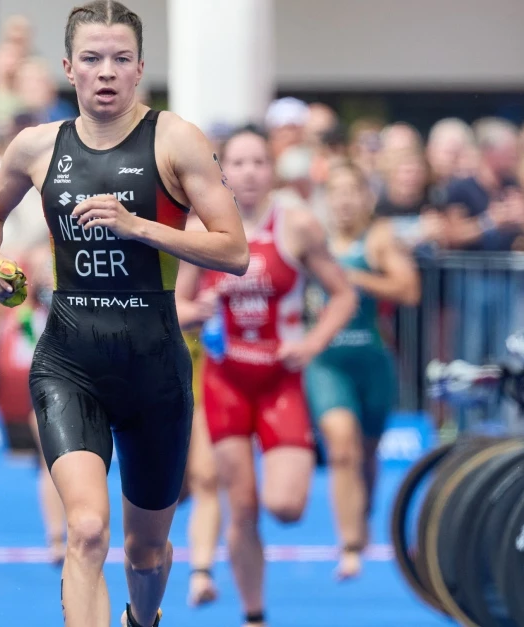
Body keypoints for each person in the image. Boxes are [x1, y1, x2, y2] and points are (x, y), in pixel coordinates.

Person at [0, 3, 250, 626]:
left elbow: (235, 252)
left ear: (140, 68)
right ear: (69, 68)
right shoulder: (37, 146)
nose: (106, 72)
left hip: (155, 368)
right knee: (88, 528)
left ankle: (142, 620)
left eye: (121, 59)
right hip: (70, 363)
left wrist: (139, 226)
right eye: (92, 59)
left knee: (145, 550)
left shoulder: (175, 139)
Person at [178, 126, 357, 627]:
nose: (250, 172)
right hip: (226, 382)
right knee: (241, 505)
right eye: (239, 163)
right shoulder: (202, 229)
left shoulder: (296, 224)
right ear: (223, 172)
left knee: (285, 506)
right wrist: (198, 310)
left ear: (272, 169)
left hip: (281, 381)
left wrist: (313, 343)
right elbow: (175, 307)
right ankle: (253, 614)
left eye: (259, 162)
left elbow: (343, 294)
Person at [304, 162, 420, 580]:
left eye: (352, 191)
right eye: (336, 192)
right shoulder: (311, 238)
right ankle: (350, 545)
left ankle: (362, 515)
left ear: (365, 198)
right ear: (326, 199)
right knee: (341, 448)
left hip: (372, 361)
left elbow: (409, 289)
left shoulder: (379, 238)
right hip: (326, 363)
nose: (344, 201)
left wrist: (352, 278)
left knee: (367, 453)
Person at [0, 244, 66, 565]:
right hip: (48, 387)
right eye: (40, 271)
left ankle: (75, 530)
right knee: (52, 457)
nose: (46, 274)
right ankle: (56, 537)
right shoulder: (25, 316)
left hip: (87, 379)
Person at [172, 213, 224, 608]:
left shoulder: (233, 233)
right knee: (175, 488)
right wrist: (201, 309)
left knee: (207, 476)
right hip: (171, 368)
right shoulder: (183, 232)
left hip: (212, 372)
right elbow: (167, 310)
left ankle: (201, 572)